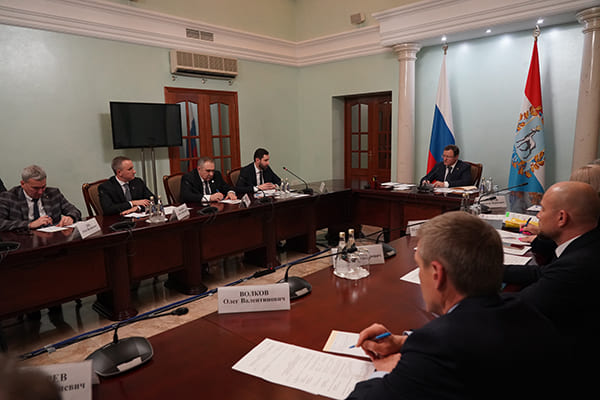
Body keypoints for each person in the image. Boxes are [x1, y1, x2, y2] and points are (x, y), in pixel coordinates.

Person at [347, 211, 563, 400]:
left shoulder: (438, 349)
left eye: (420, 267)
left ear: (437, 273)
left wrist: (385, 371)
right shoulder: (523, 310)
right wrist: (403, 342)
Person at [503, 181, 600, 392]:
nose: (538, 216)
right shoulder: (586, 244)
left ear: (562, 218)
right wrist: (485, 268)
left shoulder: (578, 264)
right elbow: (543, 273)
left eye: (543, 209)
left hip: (571, 372)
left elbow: (517, 307)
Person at [0, 165, 81, 232]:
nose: (40, 192)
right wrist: (30, 224)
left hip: (53, 239)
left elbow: (74, 210)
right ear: (23, 184)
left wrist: (71, 217)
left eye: (43, 187)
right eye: (35, 188)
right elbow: (1, 223)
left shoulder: (53, 193)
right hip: (25, 241)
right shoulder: (8, 197)